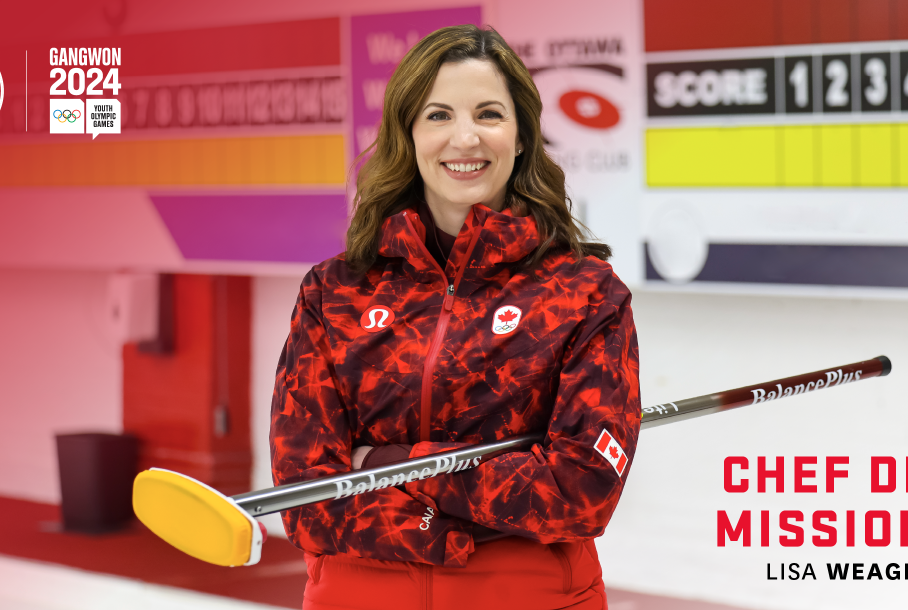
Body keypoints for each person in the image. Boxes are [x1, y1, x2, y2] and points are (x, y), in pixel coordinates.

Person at [270, 24, 640, 610]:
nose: (464, 138)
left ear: (520, 136)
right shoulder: (334, 291)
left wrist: (390, 463)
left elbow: (580, 491)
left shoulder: (584, 293)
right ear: (409, 135)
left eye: (488, 114)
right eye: (438, 115)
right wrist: (445, 533)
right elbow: (305, 494)